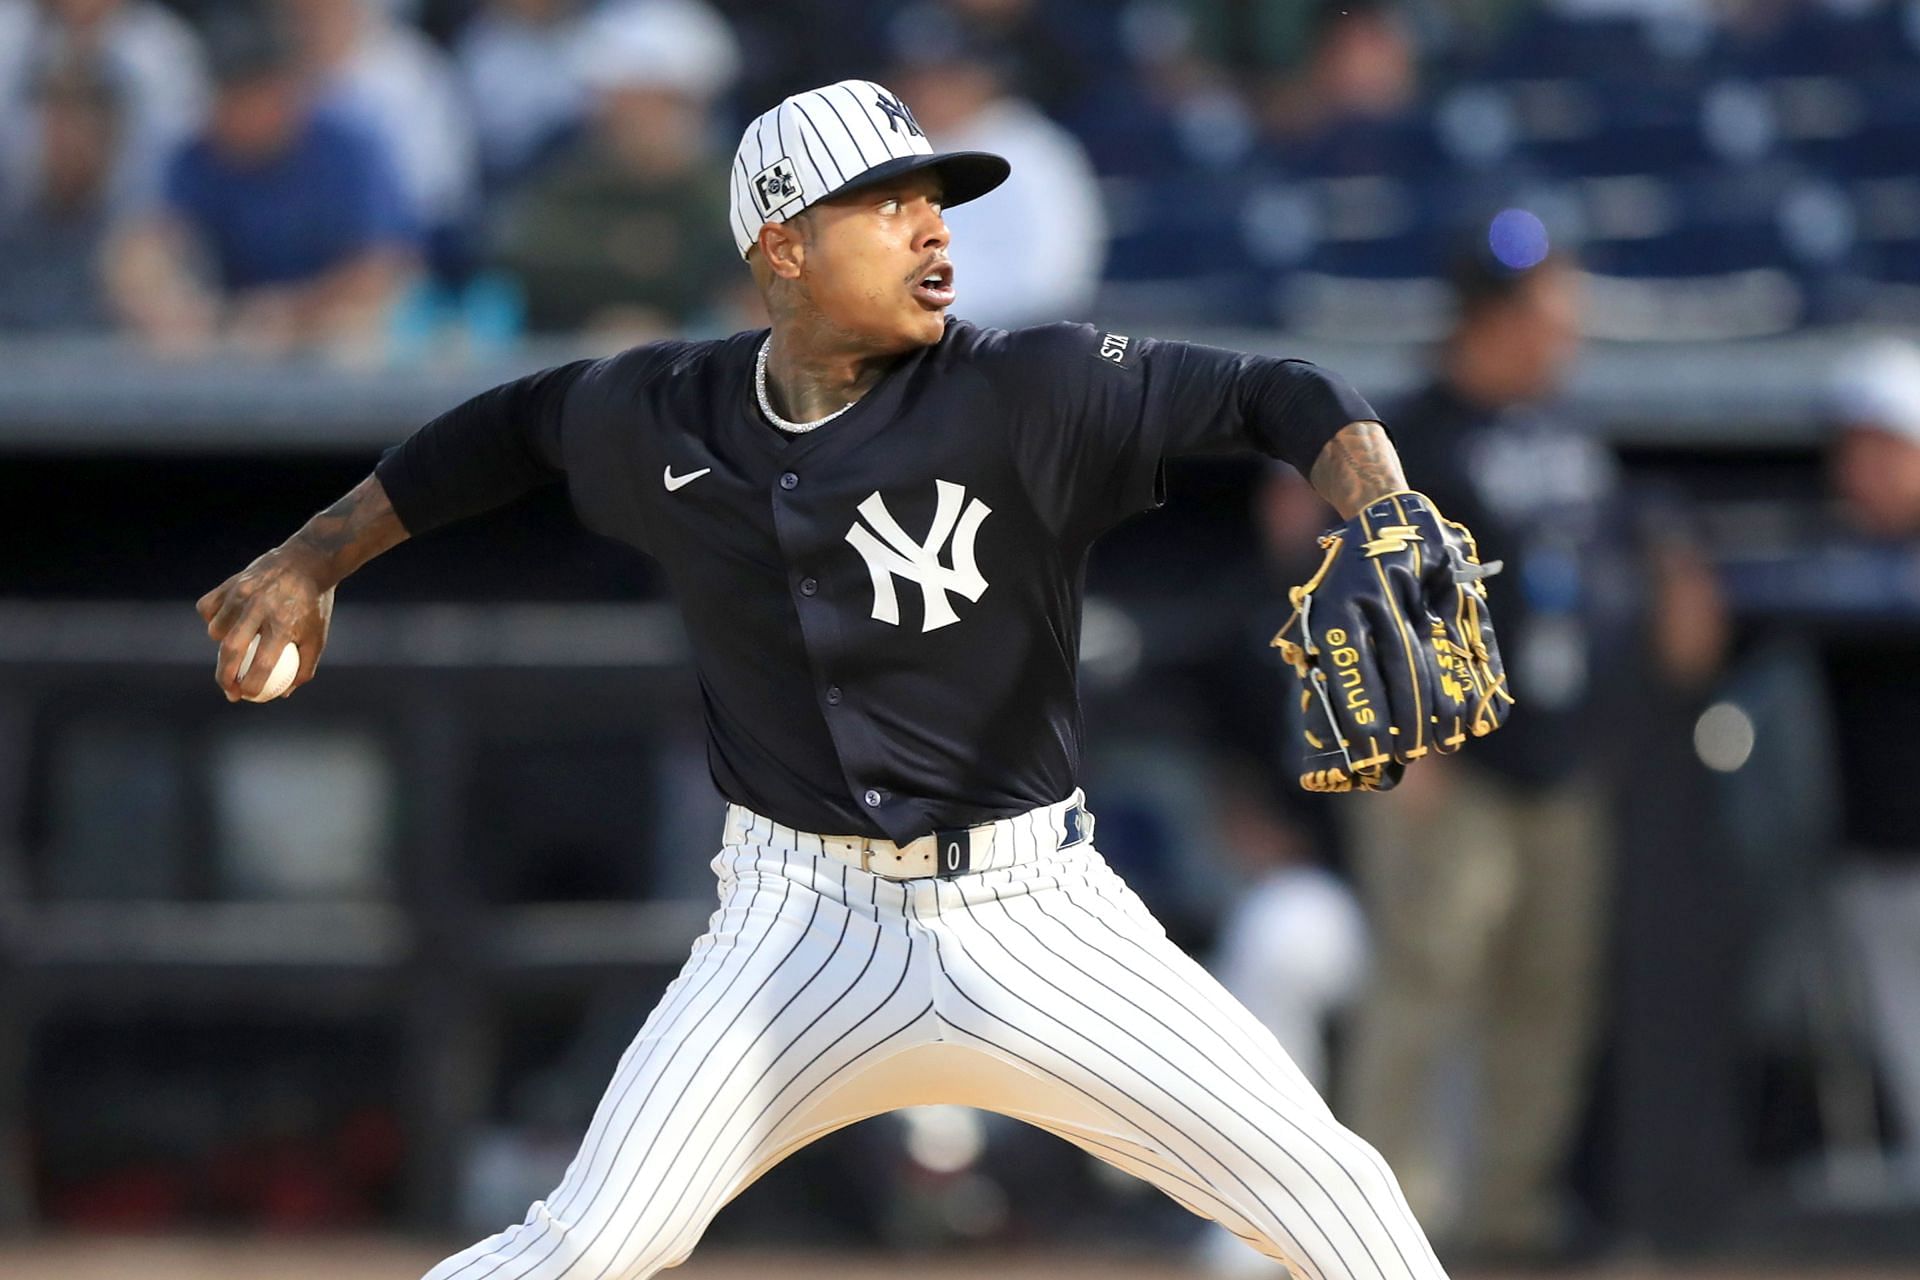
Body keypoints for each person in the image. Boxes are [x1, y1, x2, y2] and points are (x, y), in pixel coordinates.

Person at [197, 78, 1487, 1280]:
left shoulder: (1026, 387)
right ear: (784, 246)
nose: (933, 232)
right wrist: (315, 556)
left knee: (1336, 1194)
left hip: (1037, 915)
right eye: (887, 204)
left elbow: (1277, 390)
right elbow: (504, 432)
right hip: (793, 929)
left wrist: (1381, 501)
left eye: (938, 204)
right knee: (584, 1242)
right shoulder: (670, 411)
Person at [1333, 234, 1726, 1261]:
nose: (1572, 326)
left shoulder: (1564, 428)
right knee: (1426, 986)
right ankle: (1384, 1225)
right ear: (1496, 316)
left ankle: (1511, 1212)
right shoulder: (1407, 434)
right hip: (1451, 763)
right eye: (1553, 304)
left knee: (1547, 993)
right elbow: (1359, 590)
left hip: (1564, 761)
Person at [106, 13, 418, 355]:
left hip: (329, 346)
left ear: (283, 91)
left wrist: (292, 313)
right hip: (232, 349)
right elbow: (145, 250)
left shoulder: (347, 150)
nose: (232, 112)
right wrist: (167, 304)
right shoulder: (199, 154)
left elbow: (388, 269)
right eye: (224, 95)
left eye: (248, 94)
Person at [486, 0, 740, 338]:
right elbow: (515, 247)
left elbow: (739, 281)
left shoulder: (729, 191)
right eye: (614, 102)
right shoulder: (568, 176)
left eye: (646, 103)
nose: (622, 118)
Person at [1823, 339, 1920, 1182]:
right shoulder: (1826, 556)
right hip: (1879, 852)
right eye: (1855, 448)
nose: (1866, 468)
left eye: (1887, 447)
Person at [886, 7, 1107, 327]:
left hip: (1013, 338)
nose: (927, 89)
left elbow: (1056, 275)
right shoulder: (895, 150)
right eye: (916, 76)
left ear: (981, 77)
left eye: (946, 76)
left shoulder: (1031, 149)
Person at [277, 0, 479, 264]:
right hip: (300, 244)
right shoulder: (271, 75)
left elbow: (433, 191)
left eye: (321, 10)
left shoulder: (407, 69)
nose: (307, 22)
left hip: (407, 241)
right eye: (296, 14)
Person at [0, 0, 208, 208]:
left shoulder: (164, 48)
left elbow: (178, 156)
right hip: (16, 210)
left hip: (127, 214)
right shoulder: (10, 28)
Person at [0, 55, 124, 332]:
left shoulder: (131, 238)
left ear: (109, 137)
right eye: (57, 125)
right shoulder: (10, 226)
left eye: (81, 127)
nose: (67, 143)